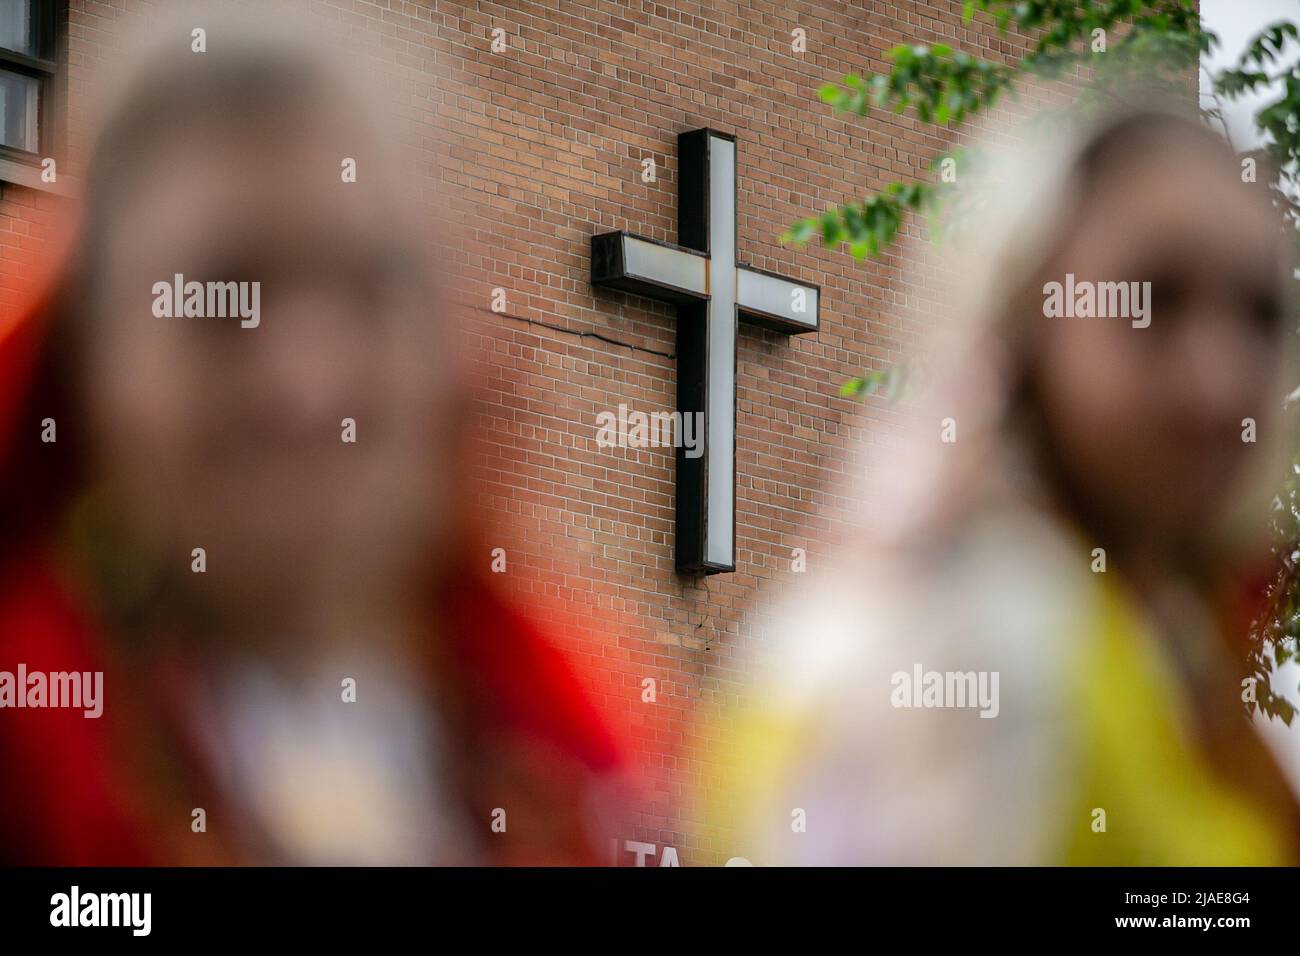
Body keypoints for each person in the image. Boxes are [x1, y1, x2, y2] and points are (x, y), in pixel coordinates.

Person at [0, 18, 625, 865]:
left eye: (369, 284)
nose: (306, 385)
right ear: (89, 355)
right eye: (224, 292)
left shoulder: (590, 771)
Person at [717, 103, 1300, 865]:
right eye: (1155, 299)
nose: (1219, 382)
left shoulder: (1162, 641)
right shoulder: (986, 631)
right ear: (1027, 316)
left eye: (1259, 316)